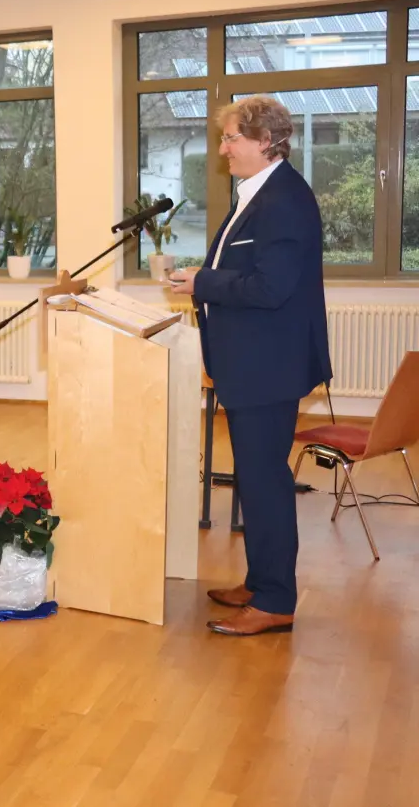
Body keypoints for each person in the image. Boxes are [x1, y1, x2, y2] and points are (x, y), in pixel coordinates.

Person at [167, 95, 331, 638]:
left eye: (231, 138)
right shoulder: (259, 193)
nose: (223, 149)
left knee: (265, 483)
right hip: (253, 362)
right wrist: (206, 278)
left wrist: (203, 282)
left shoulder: (284, 200)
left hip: (268, 365)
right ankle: (261, 583)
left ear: (265, 140)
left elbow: (270, 287)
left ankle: (276, 600)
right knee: (256, 479)